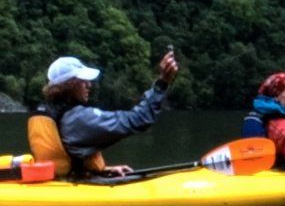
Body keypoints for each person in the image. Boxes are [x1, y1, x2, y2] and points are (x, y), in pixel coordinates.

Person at [30, 49, 183, 180]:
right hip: (78, 191)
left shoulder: (51, 113)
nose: (89, 85)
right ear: (70, 85)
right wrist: (162, 83)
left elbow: (72, 155)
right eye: (83, 81)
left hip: (66, 182)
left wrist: (103, 170)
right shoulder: (78, 120)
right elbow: (139, 119)